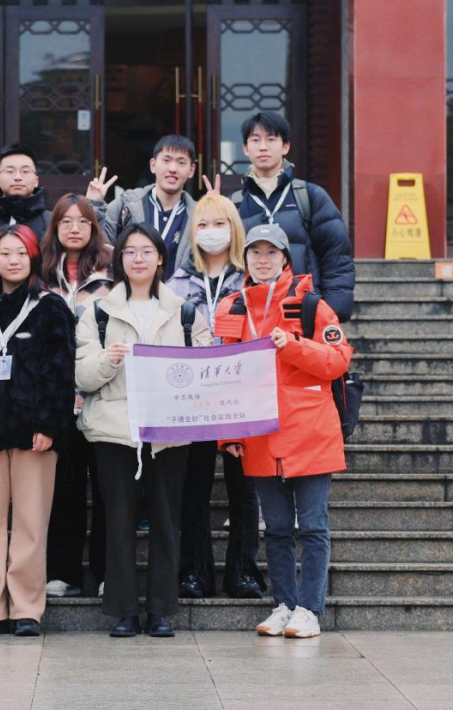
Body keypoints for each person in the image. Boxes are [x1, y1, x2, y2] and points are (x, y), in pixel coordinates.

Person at [214, 223, 353, 639]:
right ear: (244, 259)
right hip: (260, 434)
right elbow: (224, 375)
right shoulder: (231, 308)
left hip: (310, 430)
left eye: (271, 252)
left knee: (312, 526)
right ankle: (284, 604)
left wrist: (292, 345)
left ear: (285, 259)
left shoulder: (310, 305)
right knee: (275, 528)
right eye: (255, 252)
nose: (262, 260)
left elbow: (338, 359)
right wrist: (229, 435)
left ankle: (309, 609)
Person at [75, 222, 211, 638]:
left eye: (147, 251)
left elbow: (204, 368)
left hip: (168, 430)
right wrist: (108, 360)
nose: (138, 258)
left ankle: (160, 610)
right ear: (120, 259)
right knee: (117, 521)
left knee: (167, 522)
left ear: (160, 258)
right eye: (130, 251)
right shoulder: (98, 312)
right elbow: (81, 374)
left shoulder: (184, 312)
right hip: (115, 430)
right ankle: (123, 610)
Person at [0, 224, 75, 637]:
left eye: (21, 253)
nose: (13, 260)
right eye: (5, 253)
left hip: (34, 433)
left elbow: (61, 372)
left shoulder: (51, 308)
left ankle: (26, 607)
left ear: (33, 258)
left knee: (30, 522)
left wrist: (49, 424)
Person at [165, 194, 266, 601]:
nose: (212, 233)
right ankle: (195, 571)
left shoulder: (250, 281)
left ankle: (243, 571)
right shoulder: (176, 283)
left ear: (234, 229)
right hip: (194, 397)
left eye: (220, 224)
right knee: (195, 487)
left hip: (241, 396)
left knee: (244, 487)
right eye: (203, 225)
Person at [39, 193, 112, 599]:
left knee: (105, 491)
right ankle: (62, 571)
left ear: (93, 228)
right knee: (63, 490)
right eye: (65, 221)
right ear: (55, 227)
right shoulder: (40, 273)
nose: (74, 228)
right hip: (57, 400)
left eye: (82, 221)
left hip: (101, 396)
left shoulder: (110, 274)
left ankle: (103, 571)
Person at [231, 111, 355, 321]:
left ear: (285, 147)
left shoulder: (310, 196)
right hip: (252, 317)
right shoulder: (235, 204)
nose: (263, 147)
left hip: (303, 312)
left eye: (271, 139)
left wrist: (331, 313)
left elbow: (336, 257)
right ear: (245, 148)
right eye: (255, 140)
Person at [86, 135, 198, 280]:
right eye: (166, 160)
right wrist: (93, 206)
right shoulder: (126, 205)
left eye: (181, 162)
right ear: (153, 165)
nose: (172, 169)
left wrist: (217, 213)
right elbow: (98, 245)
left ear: (191, 170)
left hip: (179, 294)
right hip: (129, 292)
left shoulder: (199, 215)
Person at [0, 144, 52, 247]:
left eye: (25, 171)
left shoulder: (50, 221)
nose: (18, 177)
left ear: (36, 181)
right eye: (10, 171)